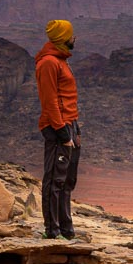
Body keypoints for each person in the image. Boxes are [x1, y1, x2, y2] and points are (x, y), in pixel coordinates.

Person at [35, 19, 81, 239]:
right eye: (72, 34)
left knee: (67, 180)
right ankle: (52, 231)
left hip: (69, 124)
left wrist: (75, 130)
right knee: (55, 180)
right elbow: (49, 99)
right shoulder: (49, 63)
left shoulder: (62, 60)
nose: (75, 38)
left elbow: (66, 99)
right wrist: (63, 132)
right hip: (57, 127)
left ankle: (67, 230)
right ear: (64, 37)